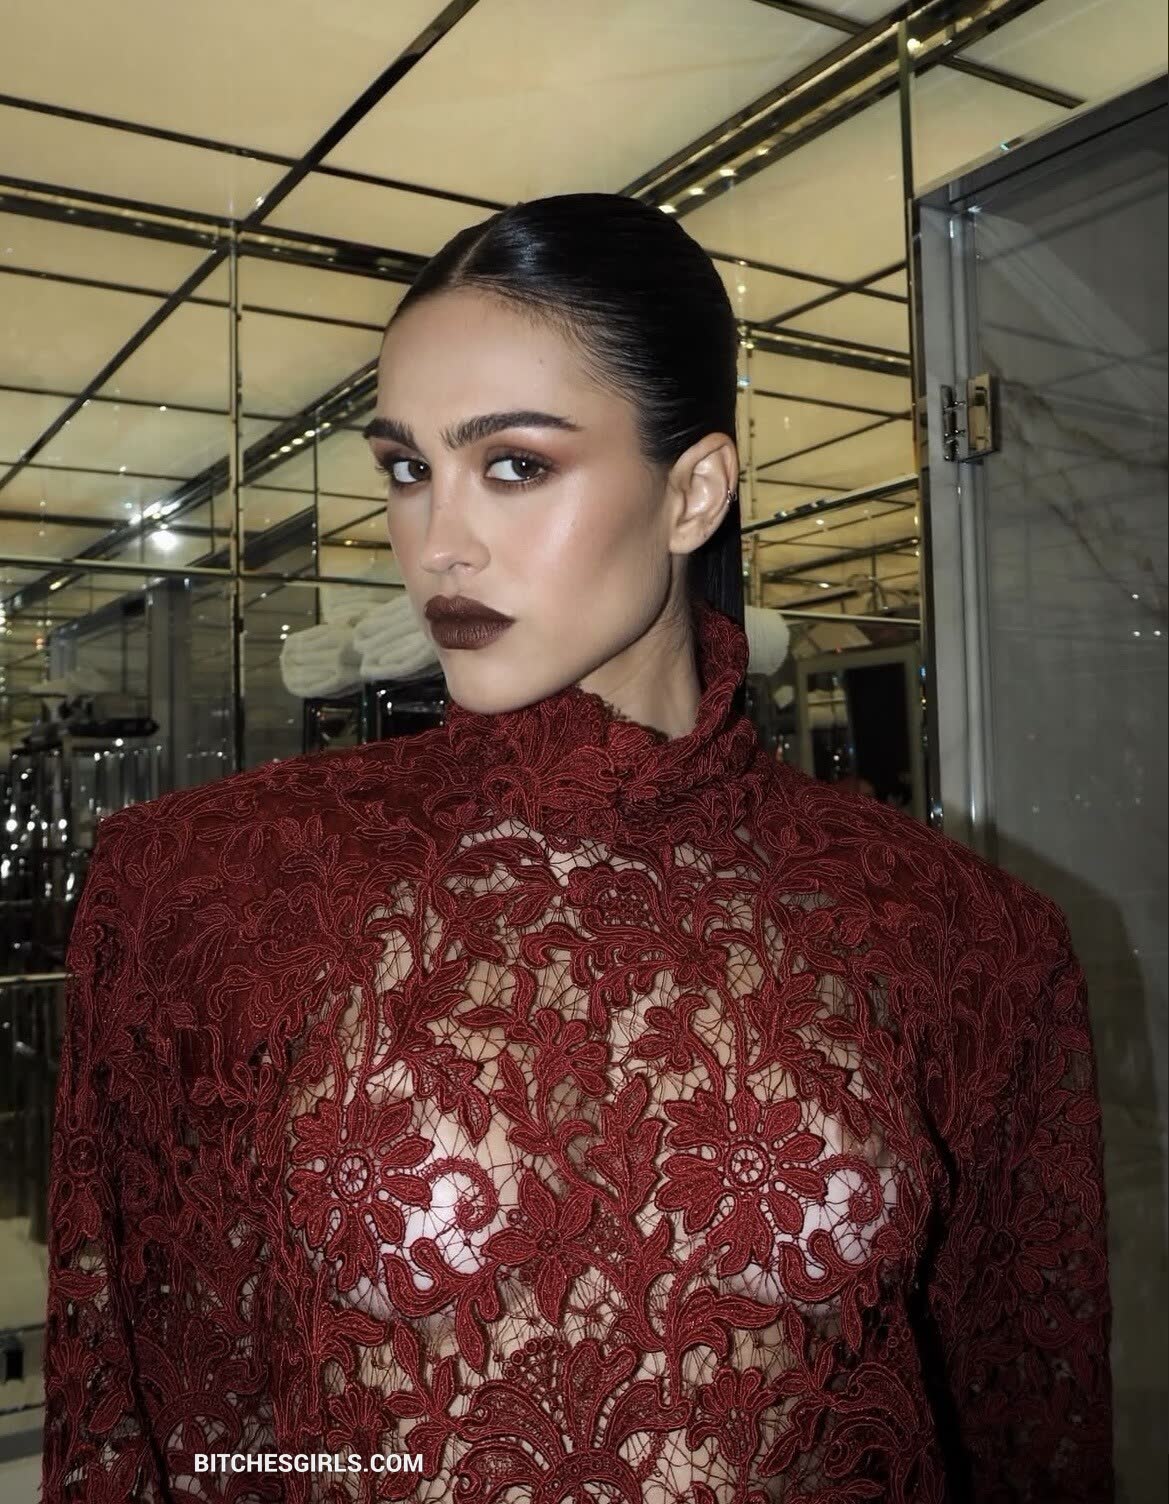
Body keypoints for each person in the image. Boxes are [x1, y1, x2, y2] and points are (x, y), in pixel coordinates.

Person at [41, 193, 1112, 1503]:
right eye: (406, 469)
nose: (437, 544)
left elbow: (1018, 1423)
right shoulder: (204, 891)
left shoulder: (962, 936)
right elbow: (165, 1424)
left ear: (693, 491)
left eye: (512, 465)